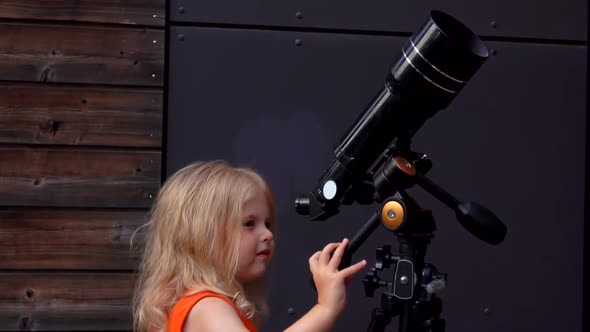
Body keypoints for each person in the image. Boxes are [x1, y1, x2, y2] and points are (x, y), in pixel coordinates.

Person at [132, 160, 367, 332]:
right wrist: (326, 307)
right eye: (248, 223)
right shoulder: (207, 306)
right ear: (201, 234)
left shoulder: (195, 304)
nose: (267, 234)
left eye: (267, 223)